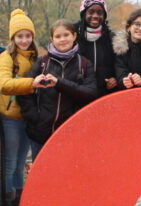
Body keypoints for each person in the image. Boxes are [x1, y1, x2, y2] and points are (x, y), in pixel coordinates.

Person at [0, 9, 41, 206]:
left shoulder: (35, 57)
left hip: (27, 117)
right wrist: (31, 84)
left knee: (21, 164)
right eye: (20, 36)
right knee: (10, 163)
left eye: (28, 35)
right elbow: (2, 84)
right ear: (13, 37)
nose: (24, 40)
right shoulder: (6, 57)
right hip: (10, 117)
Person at [20, 19, 98, 149]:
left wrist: (59, 82)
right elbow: (25, 91)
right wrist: (35, 118)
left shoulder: (84, 63)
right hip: (40, 134)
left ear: (74, 36)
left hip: (71, 133)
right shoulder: (42, 63)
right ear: (52, 39)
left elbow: (91, 93)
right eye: (58, 36)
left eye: (66, 35)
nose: (62, 39)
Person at [75, 0, 117, 95]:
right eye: (91, 12)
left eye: (100, 13)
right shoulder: (74, 37)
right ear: (84, 14)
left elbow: (120, 64)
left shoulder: (113, 38)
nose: (95, 16)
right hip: (80, 92)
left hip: (106, 93)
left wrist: (116, 78)